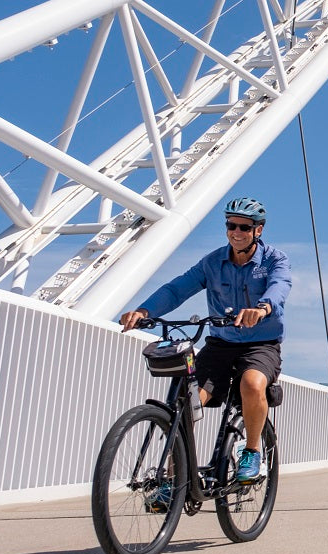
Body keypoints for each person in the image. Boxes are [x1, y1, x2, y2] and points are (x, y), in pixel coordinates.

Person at [121, 197, 292, 488]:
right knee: (183, 405)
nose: (236, 232)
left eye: (244, 227)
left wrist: (262, 308)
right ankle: (174, 483)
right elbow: (177, 289)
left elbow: (280, 286)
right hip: (219, 344)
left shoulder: (275, 260)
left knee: (251, 384)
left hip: (260, 344)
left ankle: (251, 452)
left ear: (258, 231)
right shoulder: (212, 263)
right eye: (231, 226)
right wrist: (144, 311)